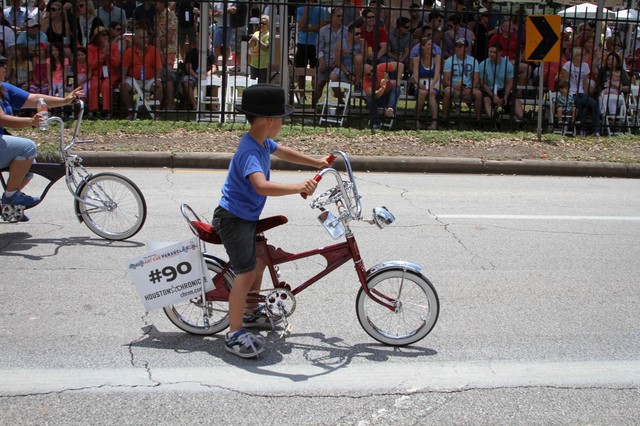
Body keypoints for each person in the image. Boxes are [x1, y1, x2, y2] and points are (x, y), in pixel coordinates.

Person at [211, 83, 329, 358]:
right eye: (280, 119)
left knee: (261, 261)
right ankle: (234, 333)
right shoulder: (250, 152)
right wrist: (299, 186)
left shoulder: (260, 141)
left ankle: (251, 313)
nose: (281, 124)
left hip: (245, 216)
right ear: (268, 120)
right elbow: (261, 186)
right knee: (246, 273)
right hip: (233, 219)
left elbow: (283, 152)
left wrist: (316, 162)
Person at [0, 54, 83, 216]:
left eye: (3, 65)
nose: (4, 68)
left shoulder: (3, 88)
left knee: (30, 166)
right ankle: (10, 197)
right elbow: (2, 119)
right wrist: (31, 121)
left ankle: (7, 207)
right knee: (27, 147)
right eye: (2, 65)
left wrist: (64, 101)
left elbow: (35, 99)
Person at [120, 25, 163, 120]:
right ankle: (131, 111)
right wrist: (123, 80)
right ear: (135, 40)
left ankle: (156, 112)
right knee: (123, 87)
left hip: (150, 80)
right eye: (142, 38)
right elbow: (124, 68)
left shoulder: (153, 50)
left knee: (159, 86)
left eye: (147, 37)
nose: (146, 39)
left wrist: (158, 80)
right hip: (134, 80)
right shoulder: (129, 52)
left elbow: (158, 68)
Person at [479, 43, 523, 127]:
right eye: (490, 52)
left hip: (502, 89)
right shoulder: (483, 64)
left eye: (494, 52)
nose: (491, 54)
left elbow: (510, 82)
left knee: (516, 101)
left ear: (500, 53)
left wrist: (506, 96)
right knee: (486, 100)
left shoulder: (508, 64)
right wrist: (493, 96)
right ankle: (494, 119)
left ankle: (522, 118)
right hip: (489, 89)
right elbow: (482, 83)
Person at [441, 38, 482, 127]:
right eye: (456, 46)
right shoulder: (449, 60)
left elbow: (476, 79)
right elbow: (446, 80)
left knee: (478, 94)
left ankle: (478, 120)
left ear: (466, 48)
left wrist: (470, 88)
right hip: (454, 87)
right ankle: (445, 118)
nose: (457, 48)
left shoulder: (473, 61)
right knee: (447, 91)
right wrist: (455, 86)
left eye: (460, 46)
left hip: (468, 87)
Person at [560, 47, 600, 136]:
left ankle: (596, 129)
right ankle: (580, 129)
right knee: (578, 104)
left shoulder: (585, 66)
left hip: (581, 92)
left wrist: (586, 94)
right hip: (571, 93)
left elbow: (585, 82)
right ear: (576, 56)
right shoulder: (568, 65)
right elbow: (564, 81)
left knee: (594, 104)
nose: (584, 56)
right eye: (582, 55)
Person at [87, 26, 120, 117]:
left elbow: (116, 63)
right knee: (94, 85)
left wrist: (109, 55)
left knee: (106, 86)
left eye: (107, 35)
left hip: (110, 75)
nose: (106, 37)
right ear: (97, 37)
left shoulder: (113, 47)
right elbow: (91, 64)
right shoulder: (91, 48)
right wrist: (101, 57)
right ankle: (93, 110)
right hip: (96, 75)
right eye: (103, 35)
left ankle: (107, 110)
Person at [316, 7, 347, 104]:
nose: (341, 18)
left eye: (342, 16)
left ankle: (340, 101)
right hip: (326, 61)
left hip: (340, 63)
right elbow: (319, 48)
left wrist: (339, 60)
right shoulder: (323, 30)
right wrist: (321, 62)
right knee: (319, 84)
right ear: (332, 17)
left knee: (334, 80)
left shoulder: (346, 31)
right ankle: (313, 107)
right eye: (338, 16)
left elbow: (348, 47)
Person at [362, 60, 404, 129]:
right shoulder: (366, 82)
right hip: (379, 99)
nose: (372, 74)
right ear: (364, 75)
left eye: (372, 71)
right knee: (368, 98)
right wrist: (382, 88)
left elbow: (401, 65)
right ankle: (376, 122)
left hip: (389, 95)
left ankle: (390, 109)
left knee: (397, 88)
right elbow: (374, 96)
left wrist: (398, 80)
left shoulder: (380, 67)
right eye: (368, 74)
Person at [411, 36, 440, 130]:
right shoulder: (417, 60)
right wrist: (420, 85)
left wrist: (431, 86)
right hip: (421, 82)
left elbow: (437, 74)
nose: (431, 46)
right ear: (423, 47)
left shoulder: (437, 58)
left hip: (434, 82)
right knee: (422, 94)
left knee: (431, 93)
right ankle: (416, 120)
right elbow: (415, 76)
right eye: (429, 44)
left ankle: (434, 122)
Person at [248, 14, 270, 83]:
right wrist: (251, 40)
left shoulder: (268, 34)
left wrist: (257, 40)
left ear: (268, 25)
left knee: (261, 83)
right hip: (253, 62)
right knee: (253, 83)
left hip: (263, 64)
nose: (262, 25)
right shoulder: (256, 33)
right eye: (260, 23)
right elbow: (250, 46)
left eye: (264, 23)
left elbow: (266, 47)